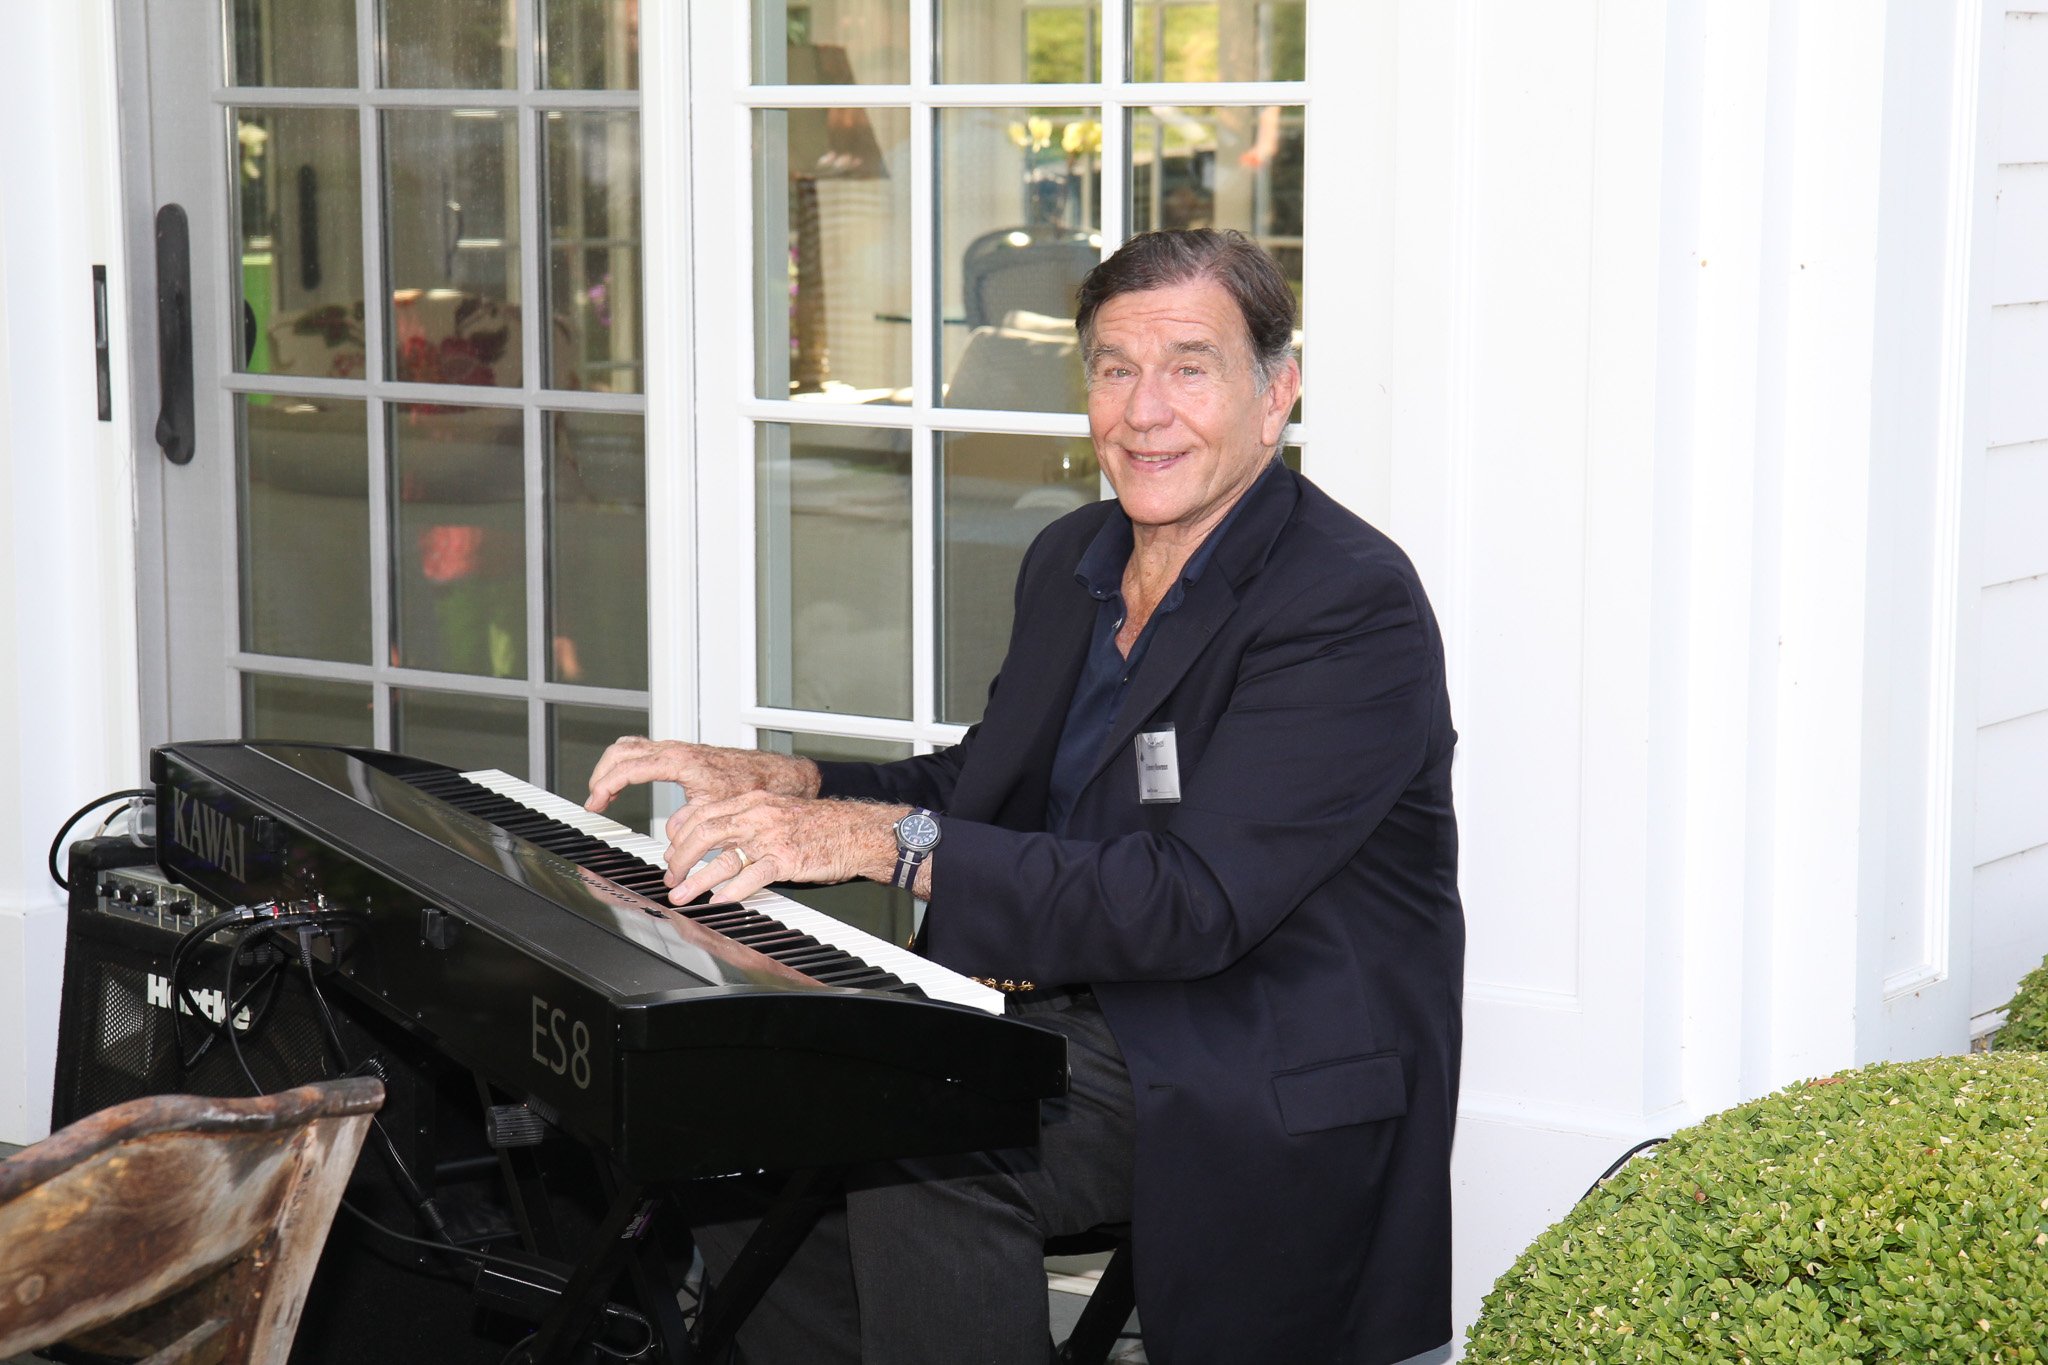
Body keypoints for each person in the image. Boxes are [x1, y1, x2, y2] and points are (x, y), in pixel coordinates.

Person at [586, 229, 1464, 1365]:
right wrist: (791, 784)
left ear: (1274, 393)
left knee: (927, 1154)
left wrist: (877, 842)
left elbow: (1192, 902)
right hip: (1061, 1017)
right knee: (754, 1129)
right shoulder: (1073, 557)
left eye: (1189, 368)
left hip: (1247, 1053)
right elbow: (986, 786)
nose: (1144, 411)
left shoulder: (1347, 604)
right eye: (1112, 369)